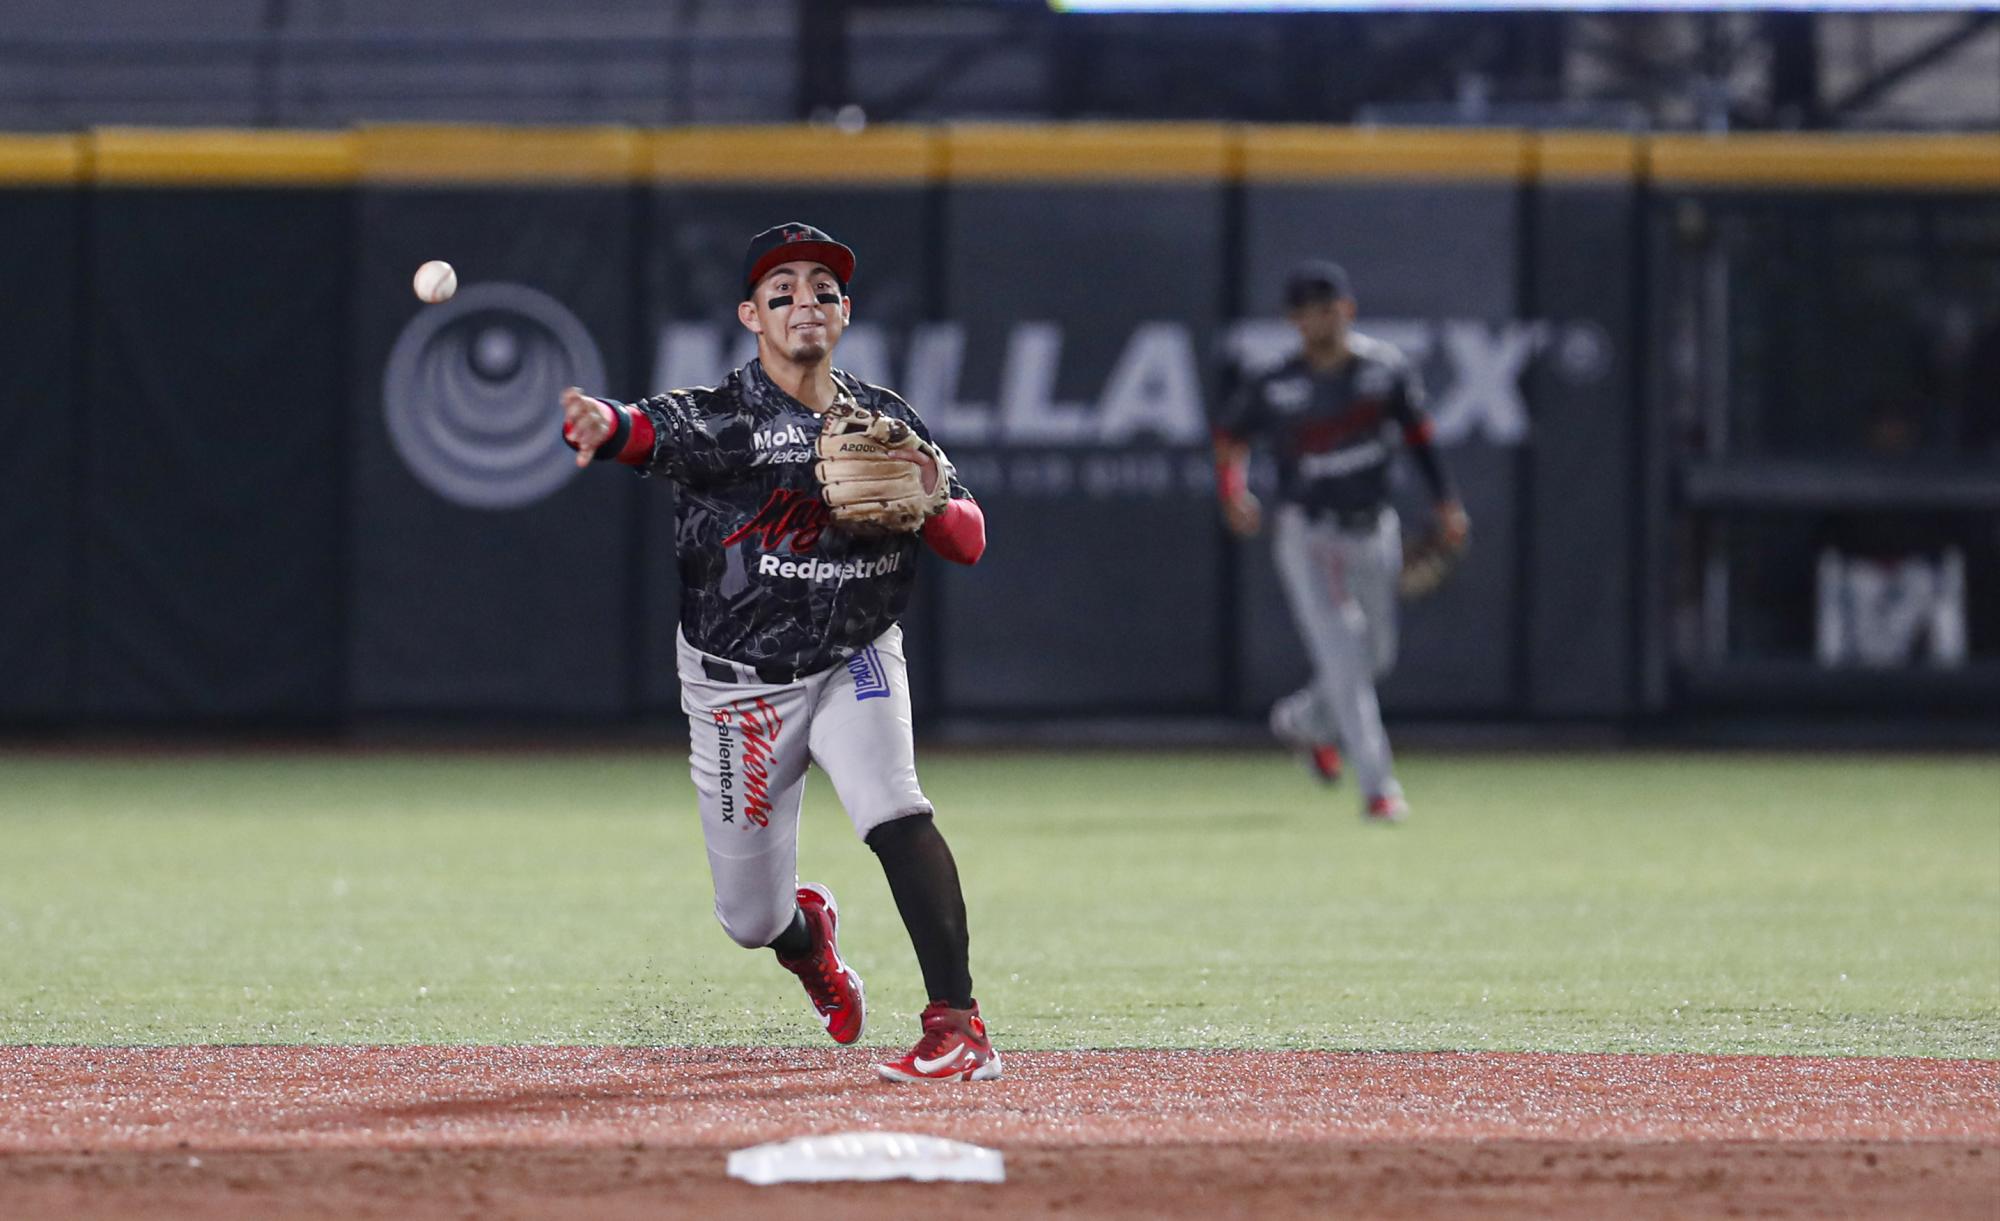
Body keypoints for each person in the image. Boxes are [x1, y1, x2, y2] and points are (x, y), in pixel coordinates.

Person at [558, 222, 1000, 1082]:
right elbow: (639, 431)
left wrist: (928, 498)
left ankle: (958, 1023)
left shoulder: (885, 422)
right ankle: (810, 942)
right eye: (783, 289)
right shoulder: (719, 418)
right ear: (750, 316)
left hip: (853, 658)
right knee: (749, 918)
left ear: (844, 315)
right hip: (736, 692)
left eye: (823, 289)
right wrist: (598, 422)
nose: (806, 301)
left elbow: (972, 540)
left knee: (894, 806)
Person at [1213, 260, 1468, 824]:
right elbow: (1230, 437)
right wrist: (1233, 492)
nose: (1319, 320)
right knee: (1347, 660)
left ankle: (1304, 722)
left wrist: (1446, 501)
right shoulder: (1276, 381)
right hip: (1310, 532)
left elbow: (1421, 438)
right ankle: (1379, 787)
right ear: (1293, 321)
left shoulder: (1385, 371)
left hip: (1373, 527)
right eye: (1307, 312)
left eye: (1328, 309)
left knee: (1376, 654)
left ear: (1347, 310)